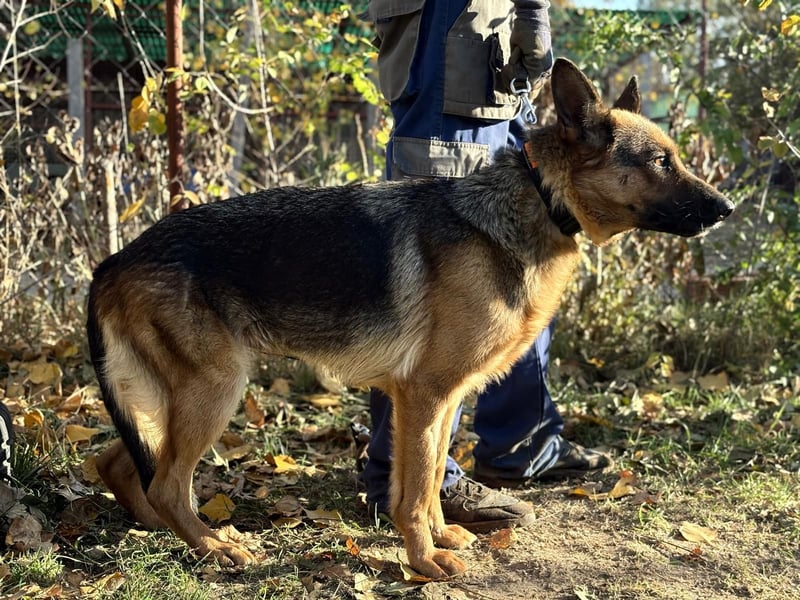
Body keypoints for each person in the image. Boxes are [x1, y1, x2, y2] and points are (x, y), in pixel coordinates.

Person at [361, 0, 611, 532]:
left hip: (495, 29)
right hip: (449, 26)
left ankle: (521, 443)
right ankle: (408, 480)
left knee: (536, 231)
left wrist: (529, 12)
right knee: (434, 262)